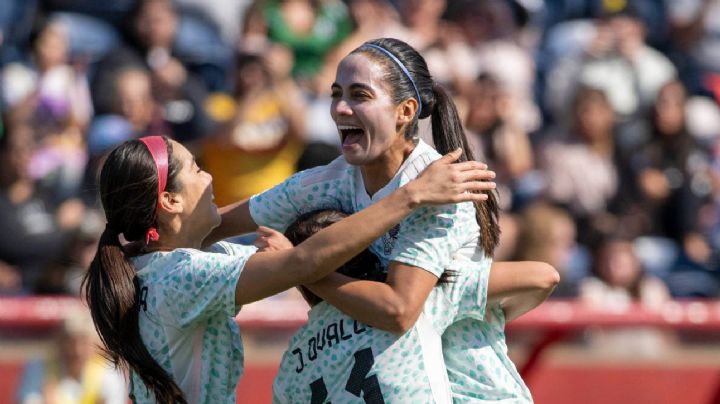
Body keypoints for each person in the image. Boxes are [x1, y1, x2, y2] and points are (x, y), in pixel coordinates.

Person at [209, 38, 559, 402]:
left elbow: (399, 310)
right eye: (335, 93)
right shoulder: (325, 183)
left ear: (405, 111)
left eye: (359, 95)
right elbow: (214, 225)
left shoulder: (442, 189)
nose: (340, 108)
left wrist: (301, 267)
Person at [82, 134, 490, 403]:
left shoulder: (159, 267)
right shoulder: (182, 275)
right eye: (196, 168)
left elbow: (290, 259)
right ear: (170, 202)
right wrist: (410, 196)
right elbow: (303, 262)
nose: (208, 177)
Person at [268, 209, 548, 402]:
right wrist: (493, 314)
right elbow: (543, 276)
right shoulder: (420, 300)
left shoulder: (291, 361)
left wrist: (298, 269)